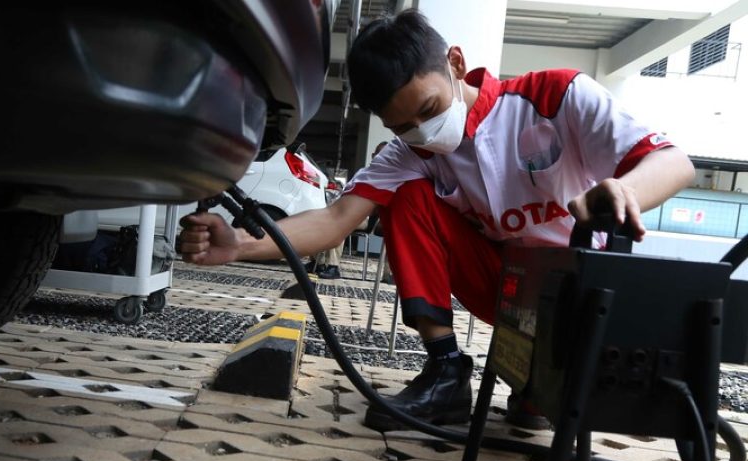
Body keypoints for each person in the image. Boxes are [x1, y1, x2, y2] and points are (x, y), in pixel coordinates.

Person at [177, 9, 695, 431]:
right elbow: (336, 219)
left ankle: (538, 378)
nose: (423, 133)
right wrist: (241, 244)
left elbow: (674, 161)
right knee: (409, 199)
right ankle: (447, 370)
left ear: (455, 61)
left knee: (540, 413)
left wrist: (625, 188)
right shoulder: (410, 155)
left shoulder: (555, 97)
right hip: (509, 292)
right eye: (402, 126)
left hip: (580, 297)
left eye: (428, 108)